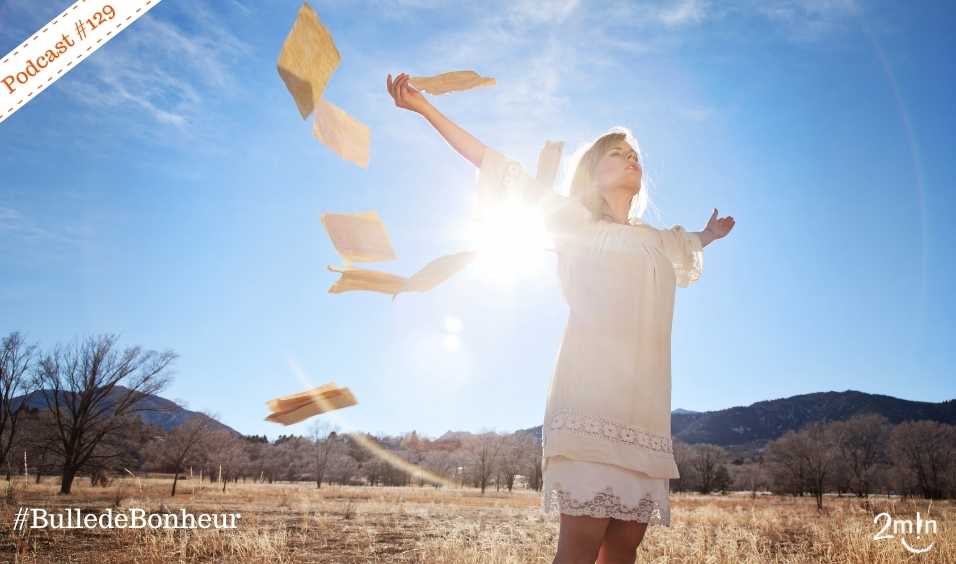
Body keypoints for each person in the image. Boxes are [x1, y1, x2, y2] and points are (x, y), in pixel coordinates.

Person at [386, 72, 735, 564]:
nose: (631, 157)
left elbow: (689, 244)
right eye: (617, 152)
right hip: (589, 401)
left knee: (625, 547)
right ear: (592, 173)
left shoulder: (658, 240)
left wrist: (710, 234)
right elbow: (494, 165)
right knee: (581, 542)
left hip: (645, 412)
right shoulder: (574, 220)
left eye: (634, 153)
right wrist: (425, 109)